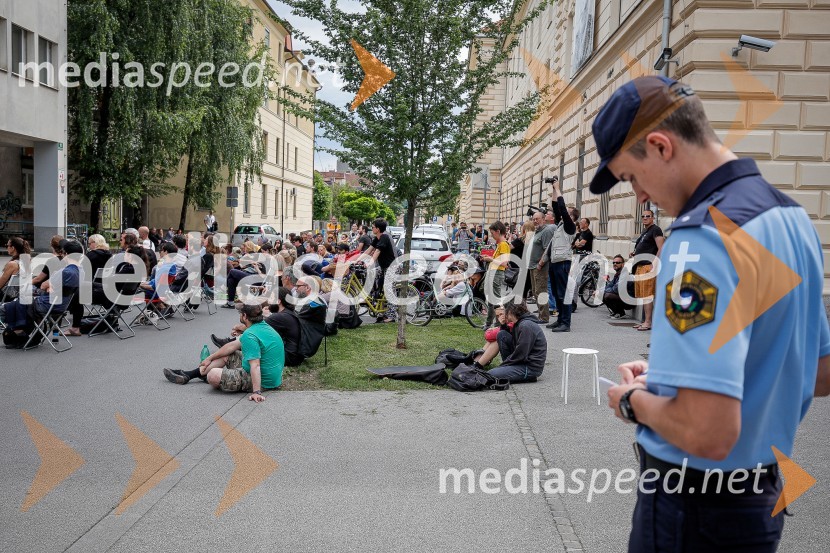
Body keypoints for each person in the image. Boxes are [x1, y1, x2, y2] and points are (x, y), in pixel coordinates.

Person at [593, 75, 830, 552]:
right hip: (761, 492)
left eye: (630, 177)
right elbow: (819, 371)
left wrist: (630, 402)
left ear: (660, 146)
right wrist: (669, 377)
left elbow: (708, 431)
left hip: (693, 503)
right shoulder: (789, 217)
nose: (638, 195)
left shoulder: (700, 238)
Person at [163, 304, 284, 401]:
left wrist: (256, 392)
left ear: (245, 316)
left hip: (263, 381)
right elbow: (231, 346)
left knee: (213, 375)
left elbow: (255, 365)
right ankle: (189, 375)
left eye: (240, 313)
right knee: (227, 353)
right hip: (270, 375)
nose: (240, 315)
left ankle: (206, 375)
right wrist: (210, 358)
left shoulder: (249, 335)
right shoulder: (263, 327)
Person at [2, 240, 83, 346]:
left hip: (46, 305)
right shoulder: (81, 271)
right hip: (61, 306)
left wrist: (48, 285)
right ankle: (53, 337)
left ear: (66, 254)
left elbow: (43, 284)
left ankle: (19, 331)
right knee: (22, 301)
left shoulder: (63, 271)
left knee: (10, 305)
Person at [475, 302, 545, 383]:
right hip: (522, 361)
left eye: (505, 313)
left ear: (511, 312)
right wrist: (503, 325)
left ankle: (528, 376)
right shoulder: (519, 323)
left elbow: (521, 354)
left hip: (530, 367)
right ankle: (509, 369)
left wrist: (503, 366)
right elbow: (511, 340)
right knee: (502, 334)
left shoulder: (526, 326)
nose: (504, 316)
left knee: (491, 374)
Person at [541, 178, 576, 332]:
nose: (563, 214)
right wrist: (554, 189)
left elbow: (561, 208)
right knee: (556, 293)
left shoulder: (570, 226)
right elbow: (556, 207)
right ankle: (560, 319)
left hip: (563, 262)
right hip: (556, 261)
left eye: (567, 213)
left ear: (572, 217)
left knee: (562, 293)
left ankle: (566, 323)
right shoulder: (561, 224)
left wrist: (559, 188)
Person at [480, 221, 510, 327]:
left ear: (498, 231)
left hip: (497, 273)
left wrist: (490, 259)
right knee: (491, 300)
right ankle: (490, 323)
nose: (492, 236)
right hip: (494, 273)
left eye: (492, 233)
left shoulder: (503, 245)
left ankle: (499, 323)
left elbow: (504, 263)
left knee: (495, 301)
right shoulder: (500, 244)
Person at [529, 211, 555, 323]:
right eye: (534, 219)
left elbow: (547, 250)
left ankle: (544, 317)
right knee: (535, 292)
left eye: (537, 219)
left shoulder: (546, 231)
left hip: (540, 266)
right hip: (533, 265)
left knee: (541, 292)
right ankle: (541, 314)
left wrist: (540, 264)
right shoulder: (537, 231)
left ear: (543, 219)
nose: (535, 221)